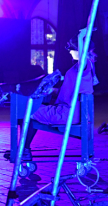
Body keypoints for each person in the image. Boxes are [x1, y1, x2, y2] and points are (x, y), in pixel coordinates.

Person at [16, 28, 98, 162]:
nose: (70, 51)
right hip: (72, 111)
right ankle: (24, 149)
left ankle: (24, 150)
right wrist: (53, 91)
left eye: (72, 48)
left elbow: (82, 56)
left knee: (23, 111)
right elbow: (72, 91)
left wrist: (82, 35)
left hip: (68, 113)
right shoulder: (78, 69)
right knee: (32, 110)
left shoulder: (84, 65)